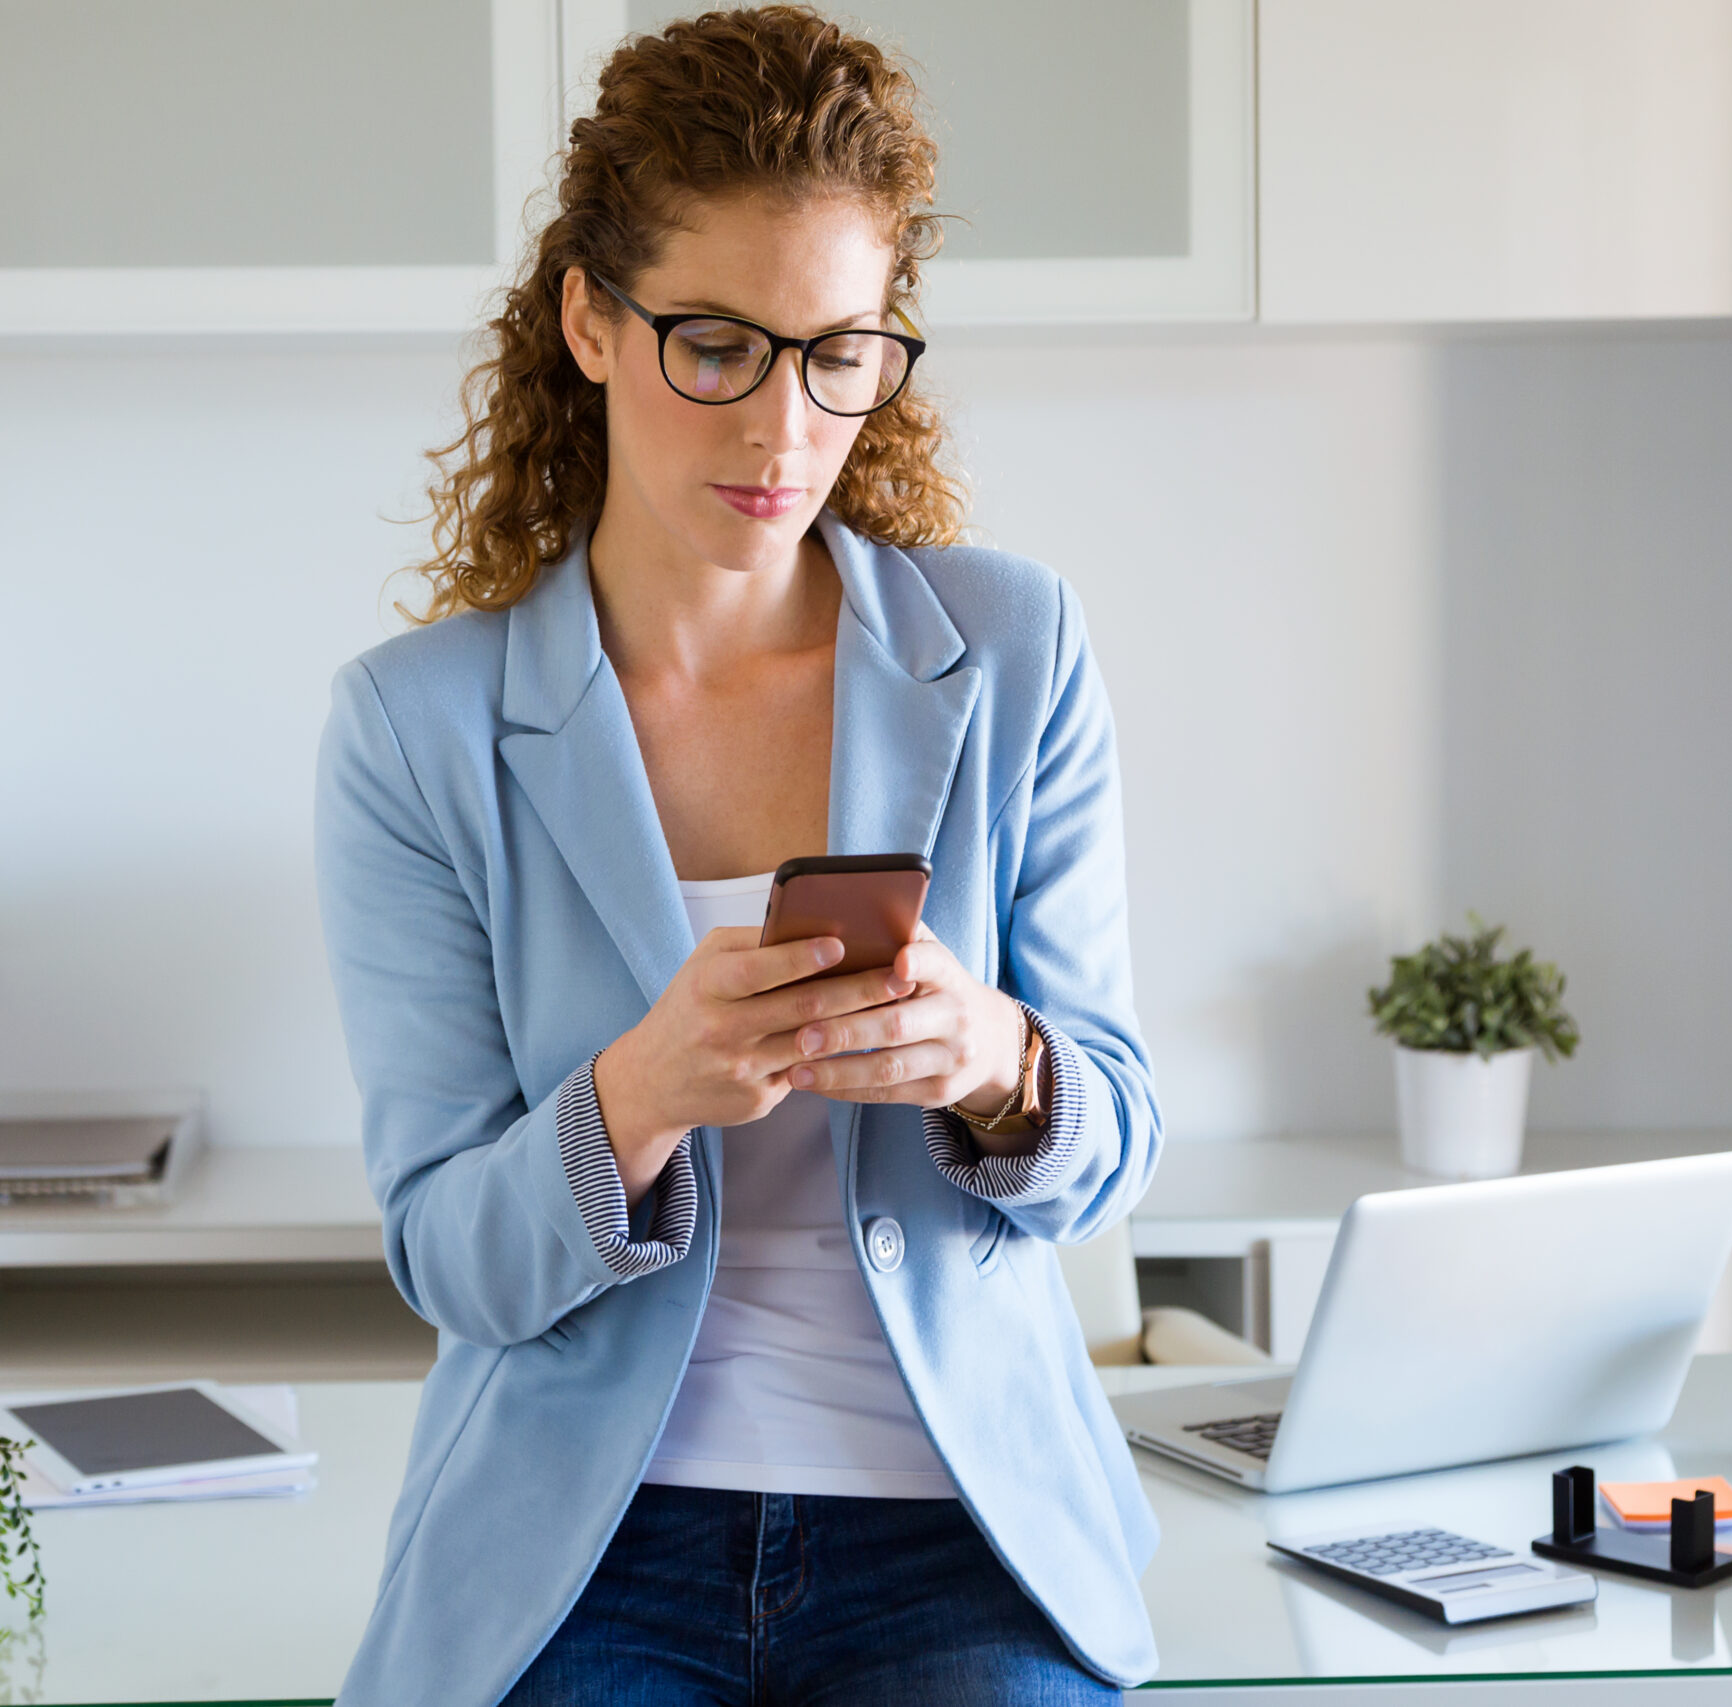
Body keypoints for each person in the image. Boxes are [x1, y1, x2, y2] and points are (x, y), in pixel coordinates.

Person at [315, 9, 1163, 1703]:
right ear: (589, 319)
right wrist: (636, 1096)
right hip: (589, 1539)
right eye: (718, 344)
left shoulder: (1014, 649)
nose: (784, 427)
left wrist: (994, 1061)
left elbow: (1120, 1142)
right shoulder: (414, 727)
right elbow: (447, 1257)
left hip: (957, 1529)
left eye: (840, 351)